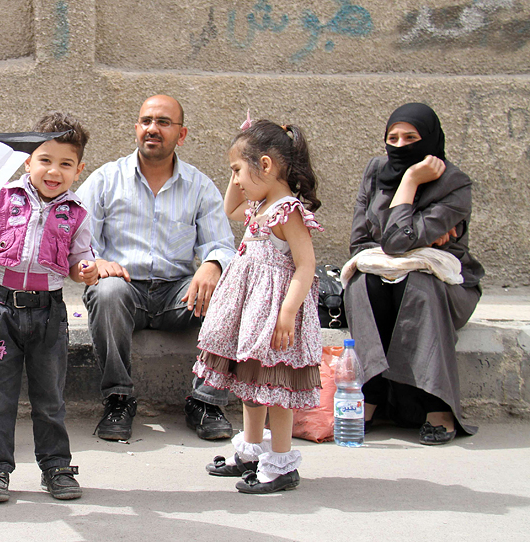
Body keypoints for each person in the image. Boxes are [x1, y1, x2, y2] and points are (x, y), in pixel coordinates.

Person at [77, 95, 237, 442]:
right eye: (146, 121)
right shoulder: (107, 179)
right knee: (107, 291)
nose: (153, 128)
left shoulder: (199, 186)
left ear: (181, 134)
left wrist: (211, 265)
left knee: (229, 291)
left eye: (164, 122)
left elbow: (223, 246)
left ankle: (205, 402)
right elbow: (76, 239)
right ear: (136, 128)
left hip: (177, 295)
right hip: (125, 290)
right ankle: (118, 399)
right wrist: (98, 261)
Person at [194, 119, 323, 494]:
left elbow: (305, 265)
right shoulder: (259, 204)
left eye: (238, 170)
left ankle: (281, 463)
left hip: (274, 314)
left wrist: (287, 313)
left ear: (265, 165)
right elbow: (230, 209)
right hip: (249, 314)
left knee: (275, 389)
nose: (235, 179)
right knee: (252, 384)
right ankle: (251, 451)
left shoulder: (287, 211)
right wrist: (237, 169)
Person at [0, 112, 99, 504]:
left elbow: (81, 261)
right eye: (45, 159)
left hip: (49, 314)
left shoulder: (77, 212)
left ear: (78, 170)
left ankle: (56, 467)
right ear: (28, 159)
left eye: (65, 164)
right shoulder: (0, 198)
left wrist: (87, 270)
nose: (53, 171)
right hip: (0, 312)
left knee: (50, 399)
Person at [344, 102, 483, 445]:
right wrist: (414, 236)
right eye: (393, 137)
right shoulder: (376, 171)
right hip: (386, 276)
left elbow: (391, 242)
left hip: (445, 285)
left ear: (430, 140)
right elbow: (361, 243)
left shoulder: (454, 183)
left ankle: (437, 404)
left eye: (411, 137)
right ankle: (371, 394)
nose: (401, 145)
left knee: (419, 284)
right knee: (364, 284)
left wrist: (409, 182)